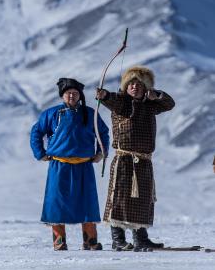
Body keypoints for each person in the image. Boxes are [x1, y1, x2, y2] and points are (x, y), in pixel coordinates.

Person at [96, 66, 175, 252]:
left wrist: (157, 95)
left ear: (146, 87)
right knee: (119, 199)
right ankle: (118, 240)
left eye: (138, 84)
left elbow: (169, 104)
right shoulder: (121, 102)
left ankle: (141, 239)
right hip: (124, 159)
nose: (134, 87)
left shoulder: (150, 105)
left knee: (143, 200)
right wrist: (104, 94)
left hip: (144, 160)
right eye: (130, 83)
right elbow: (109, 99)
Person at [30, 78, 109, 251]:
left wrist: (101, 152)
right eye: (68, 93)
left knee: (87, 202)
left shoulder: (90, 113)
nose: (71, 96)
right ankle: (59, 241)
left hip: (84, 166)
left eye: (75, 93)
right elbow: (36, 132)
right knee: (56, 203)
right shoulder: (51, 114)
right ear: (62, 96)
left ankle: (90, 241)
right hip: (59, 165)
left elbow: (103, 133)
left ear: (80, 95)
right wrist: (40, 153)